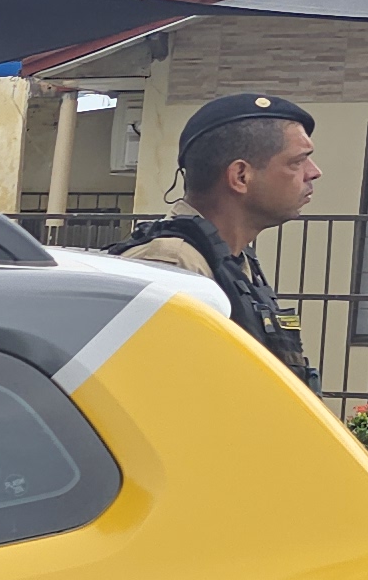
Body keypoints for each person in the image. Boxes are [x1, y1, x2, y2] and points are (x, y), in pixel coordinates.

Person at [121, 91, 319, 384]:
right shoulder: (171, 264)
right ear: (240, 176)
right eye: (297, 162)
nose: (314, 173)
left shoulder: (233, 262)